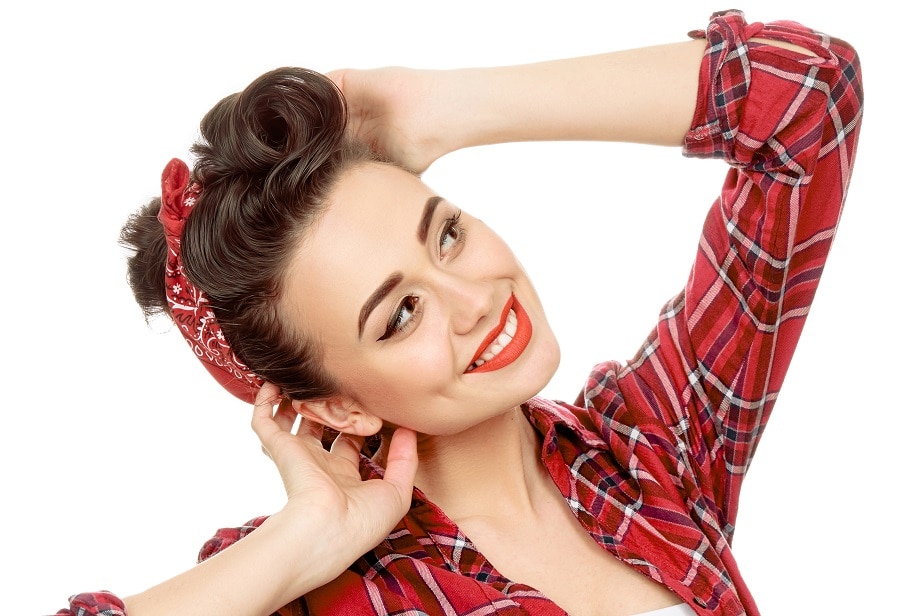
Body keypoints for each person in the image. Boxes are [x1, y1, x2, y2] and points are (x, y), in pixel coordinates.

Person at [54, 8, 862, 616]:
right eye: (399, 315)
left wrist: (449, 108)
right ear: (337, 403)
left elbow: (808, 101)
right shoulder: (320, 588)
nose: (476, 300)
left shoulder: (651, 450)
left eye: (445, 234)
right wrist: (301, 545)